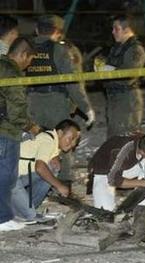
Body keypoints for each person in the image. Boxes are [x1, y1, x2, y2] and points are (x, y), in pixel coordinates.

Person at [26, 15, 95, 182]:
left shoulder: (25, 47)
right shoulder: (60, 50)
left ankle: (35, 182)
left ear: (37, 30)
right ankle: (64, 184)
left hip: (31, 103)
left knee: (33, 143)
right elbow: (72, 83)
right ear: (57, 31)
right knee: (63, 144)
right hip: (55, 105)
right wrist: (85, 107)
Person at [0, 37, 37, 231]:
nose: (28, 65)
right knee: (6, 175)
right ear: (23, 54)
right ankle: (2, 218)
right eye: (29, 60)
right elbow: (16, 106)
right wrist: (28, 125)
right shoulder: (10, 70)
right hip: (5, 129)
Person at [11, 119, 80, 221]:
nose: (73, 144)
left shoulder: (53, 142)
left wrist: (56, 157)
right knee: (30, 216)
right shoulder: (47, 140)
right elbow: (39, 167)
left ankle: (22, 209)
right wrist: (59, 186)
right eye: (71, 138)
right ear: (60, 133)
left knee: (52, 170)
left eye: (76, 141)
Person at [96, 15, 145, 138]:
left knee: (127, 137)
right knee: (114, 136)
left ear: (127, 29)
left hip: (127, 99)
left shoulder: (135, 49)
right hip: (115, 97)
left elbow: (129, 74)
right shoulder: (117, 48)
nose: (113, 32)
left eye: (116, 29)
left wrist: (110, 71)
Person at [87, 134, 145, 210]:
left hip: (125, 167)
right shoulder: (122, 151)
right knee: (106, 211)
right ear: (142, 152)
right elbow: (114, 180)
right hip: (104, 174)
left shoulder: (144, 142)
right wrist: (143, 183)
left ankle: (142, 204)